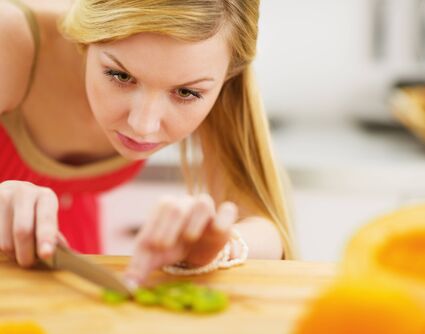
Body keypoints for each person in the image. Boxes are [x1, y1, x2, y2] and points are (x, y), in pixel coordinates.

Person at [0, 0, 296, 287]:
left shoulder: (212, 60)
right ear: (86, 36)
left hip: (74, 255)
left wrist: (223, 244)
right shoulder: (9, 38)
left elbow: (269, 230)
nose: (143, 126)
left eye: (186, 93)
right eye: (120, 75)